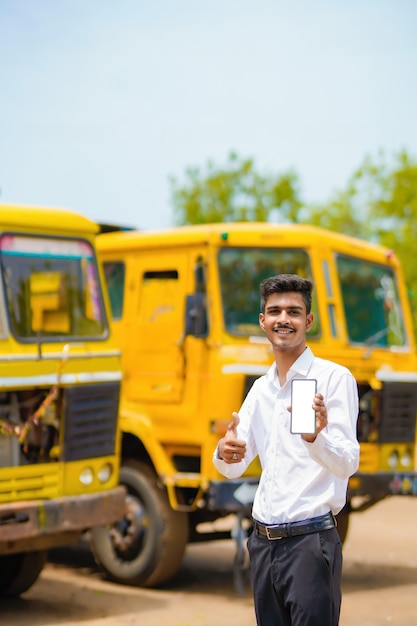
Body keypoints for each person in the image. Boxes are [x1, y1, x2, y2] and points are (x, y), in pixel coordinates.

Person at [213, 274, 359, 626]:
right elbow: (234, 466)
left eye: (294, 311)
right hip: (263, 545)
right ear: (262, 320)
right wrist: (224, 452)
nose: (284, 319)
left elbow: (348, 462)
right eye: (274, 311)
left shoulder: (334, 379)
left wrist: (315, 438)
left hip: (310, 544)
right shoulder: (261, 390)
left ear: (308, 321)